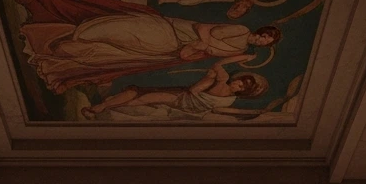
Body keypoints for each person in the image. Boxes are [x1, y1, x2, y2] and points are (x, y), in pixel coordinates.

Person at [5, 0, 281, 96]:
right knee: (99, 28)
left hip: (168, 50)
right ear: (260, 32)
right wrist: (203, 44)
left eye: (265, 43)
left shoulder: (240, 50)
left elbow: (215, 60)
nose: (261, 41)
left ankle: (56, 53)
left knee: (110, 55)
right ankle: (50, 8)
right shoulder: (241, 30)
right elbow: (202, 28)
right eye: (264, 37)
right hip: (171, 32)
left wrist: (237, 59)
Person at [83, 62, 268, 121]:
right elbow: (218, 65)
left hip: (180, 100)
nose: (238, 83)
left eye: (242, 86)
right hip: (182, 100)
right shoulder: (225, 87)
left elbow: (196, 91)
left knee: (140, 97)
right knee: (141, 97)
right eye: (241, 81)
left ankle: (100, 108)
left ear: (243, 92)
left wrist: (209, 76)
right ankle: (102, 107)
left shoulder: (223, 87)